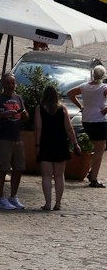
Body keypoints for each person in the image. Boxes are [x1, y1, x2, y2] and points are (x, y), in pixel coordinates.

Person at [33, 83, 80, 211]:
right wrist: (75, 143)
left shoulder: (39, 109)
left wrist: (37, 145)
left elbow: (38, 128)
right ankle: (58, 203)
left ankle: (47, 203)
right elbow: (69, 128)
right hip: (60, 143)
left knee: (46, 176)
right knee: (59, 175)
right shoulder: (62, 109)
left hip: (46, 143)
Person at [0, 71, 26, 210]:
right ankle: (0, 198)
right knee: (3, 169)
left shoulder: (18, 98)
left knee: (19, 168)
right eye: (8, 83)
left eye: (13, 83)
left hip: (17, 138)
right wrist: (3, 114)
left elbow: (24, 117)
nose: (11, 86)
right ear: (3, 84)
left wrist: (25, 115)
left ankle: (13, 196)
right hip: (3, 138)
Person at [68, 63, 107, 187]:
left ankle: (92, 172)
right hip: (99, 120)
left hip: (87, 119)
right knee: (99, 149)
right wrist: (105, 110)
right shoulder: (103, 87)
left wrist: (80, 106)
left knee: (97, 146)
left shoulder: (84, 86)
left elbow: (70, 93)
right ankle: (94, 178)